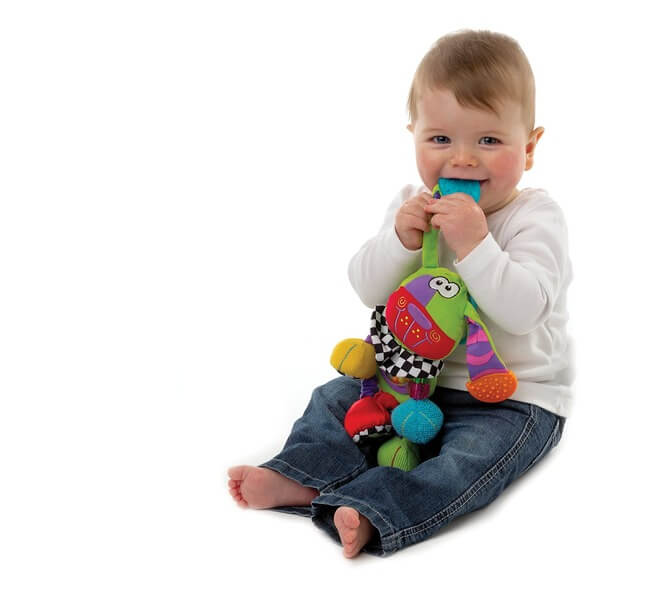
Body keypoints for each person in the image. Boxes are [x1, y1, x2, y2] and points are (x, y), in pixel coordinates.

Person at [227, 29, 573, 558]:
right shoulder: (413, 206)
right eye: (440, 139)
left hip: (507, 398)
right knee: (335, 399)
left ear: (528, 148)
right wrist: (399, 240)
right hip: (406, 382)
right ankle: (301, 474)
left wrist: (476, 244)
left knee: (467, 464)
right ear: (414, 135)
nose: (463, 159)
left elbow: (525, 312)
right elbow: (367, 286)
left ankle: (374, 510)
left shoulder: (534, 216)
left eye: (489, 140)